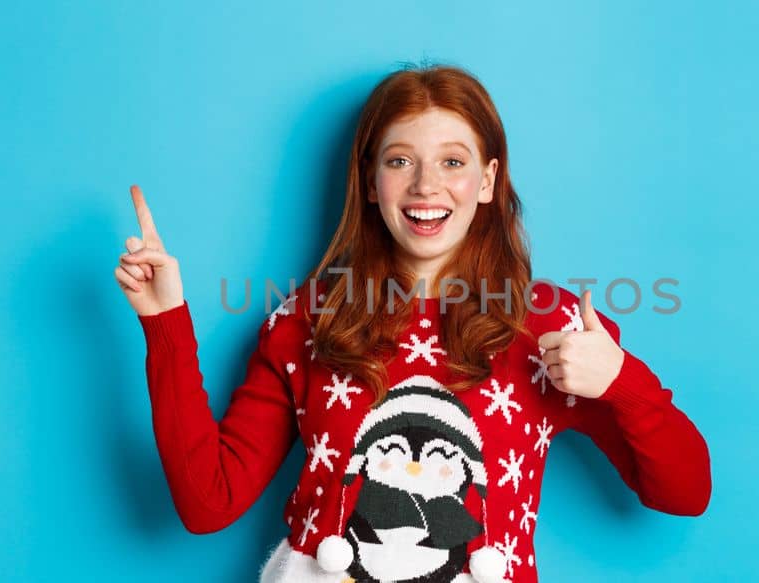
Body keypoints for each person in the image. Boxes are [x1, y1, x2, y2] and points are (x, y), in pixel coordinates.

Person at [114, 64, 710, 583]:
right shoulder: (306, 319)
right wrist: (164, 322)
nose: (427, 185)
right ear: (371, 181)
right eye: (401, 161)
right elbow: (207, 503)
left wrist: (621, 381)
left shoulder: (550, 327)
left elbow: (685, 494)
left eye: (453, 161)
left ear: (487, 181)